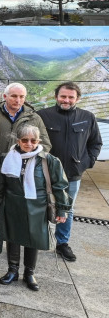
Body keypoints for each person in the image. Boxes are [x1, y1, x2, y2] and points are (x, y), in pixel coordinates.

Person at [0, 124, 70, 291]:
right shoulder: (8, 157)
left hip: (38, 206)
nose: (29, 143)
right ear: (18, 140)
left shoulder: (48, 160)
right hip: (13, 204)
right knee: (12, 237)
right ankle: (12, 270)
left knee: (33, 238)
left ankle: (29, 272)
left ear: (39, 140)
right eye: (25, 140)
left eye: (33, 140)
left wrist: (63, 209)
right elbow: (0, 184)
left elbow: (60, 185)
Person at [38, 82, 103, 262]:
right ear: (56, 96)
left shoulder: (88, 117)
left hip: (73, 174)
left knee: (67, 208)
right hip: (45, 173)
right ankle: (36, 240)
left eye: (70, 97)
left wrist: (86, 163)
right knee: (39, 206)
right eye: (63, 96)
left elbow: (95, 143)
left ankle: (62, 243)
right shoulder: (42, 116)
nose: (66, 100)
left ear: (78, 99)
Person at [0, 82, 51, 162]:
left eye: (21, 97)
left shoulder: (34, 118)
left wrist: (28, 159)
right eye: (14, 96)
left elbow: (45, 144)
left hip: (24, 168)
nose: (18, 100)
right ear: (5, 96)